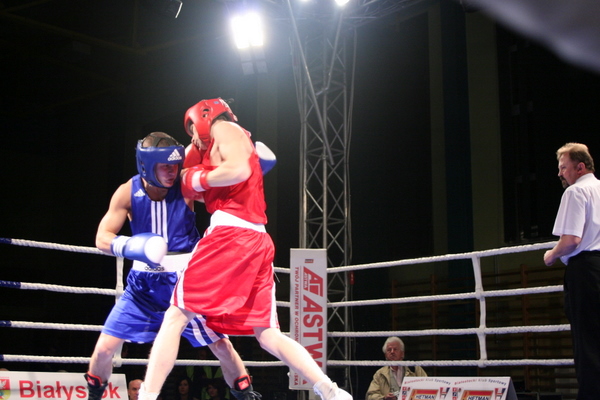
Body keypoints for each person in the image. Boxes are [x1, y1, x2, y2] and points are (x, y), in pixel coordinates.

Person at [138, 98, 352, 400]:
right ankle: (331, 391)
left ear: (204, 117)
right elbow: (217, 182)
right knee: (268, 335)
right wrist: (190, 179)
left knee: (175, 316)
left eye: (192, 129)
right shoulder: (218, 148)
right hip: (257, 240)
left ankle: (146, 396)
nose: (193, 137)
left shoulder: (224, 129)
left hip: (230, 235)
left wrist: (197, 177)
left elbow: (237, 170)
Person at [84, 132, 257, 400]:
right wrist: (132, 246)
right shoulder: (128, 191)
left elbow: (224, 192)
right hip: (142, 288)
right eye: (165, 166)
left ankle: (246, 394)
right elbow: (101, 238)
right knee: (105, 347)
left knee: (221, 346)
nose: (172, 171)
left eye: (175, 165)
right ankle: (94, 395)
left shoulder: (186, 183)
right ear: (146, 166)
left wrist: (245, 168)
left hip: (186, 282)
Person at [543, 142, 600, 400]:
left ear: (580, 167)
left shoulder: (576, 192)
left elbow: (571, 240)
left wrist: (552, 255)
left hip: (586, 271)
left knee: (587, 342)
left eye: (564, 167)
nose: (560, 173)